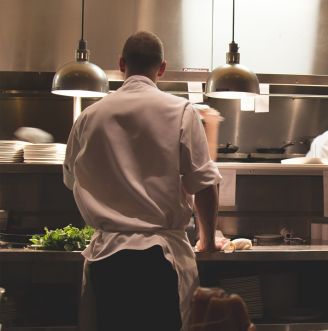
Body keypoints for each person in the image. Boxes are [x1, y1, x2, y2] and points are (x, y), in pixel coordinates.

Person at [63, 31, 222, 331]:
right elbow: (204, 184)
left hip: (106, 260)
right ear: (161, 68)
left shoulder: (88, 116)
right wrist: (208, 240)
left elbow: (71, 179)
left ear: (121, 64)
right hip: (160, 260)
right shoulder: (181, 111)